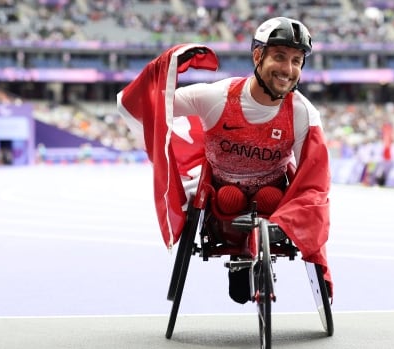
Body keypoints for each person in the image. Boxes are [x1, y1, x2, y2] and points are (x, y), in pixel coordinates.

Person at [116, 17, 332, 304]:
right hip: (221, 202)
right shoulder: (216, 96)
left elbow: (313, 177)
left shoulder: (304, 113)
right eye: (279, 57)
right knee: (229, 199)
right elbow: (141, 104)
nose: (288, 70)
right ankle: (240, 256)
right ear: (258, 55)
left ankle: (258, 251)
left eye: (296, 61)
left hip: (274, 202)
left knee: (269, 198)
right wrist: (166, 64)